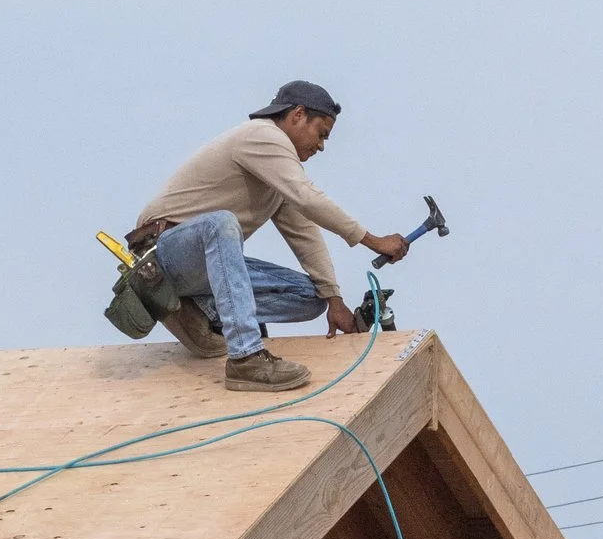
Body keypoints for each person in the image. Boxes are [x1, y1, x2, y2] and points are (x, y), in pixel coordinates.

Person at [129, 81, 410, 391]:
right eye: (321, 133)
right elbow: (308, 197)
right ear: (298, 115)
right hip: (162, 254)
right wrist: (373, 240)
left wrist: (335, 299)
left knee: (311, 297)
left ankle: (201, 316)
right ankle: (245, 357)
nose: (321, 146)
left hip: (201, 268)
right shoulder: (262, 135)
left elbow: (305, 232)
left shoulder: (276, 176)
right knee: (221, 225)